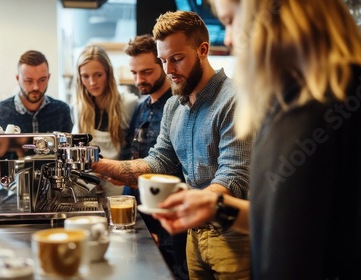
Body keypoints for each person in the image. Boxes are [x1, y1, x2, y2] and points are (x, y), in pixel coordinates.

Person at [153, 0, 361, 279]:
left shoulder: (344, 99)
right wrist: (216, 207)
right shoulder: (286, 101)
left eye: (230, 20)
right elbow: (286, 222)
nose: (230, 39)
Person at [91, 10, 253, 280]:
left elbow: (234, 175)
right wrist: (116, 168)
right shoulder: (173, 107)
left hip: (232, 235)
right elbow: (161, 160)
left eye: (177, 59)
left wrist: (196, 202)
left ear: (203, 49)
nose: (168, 70)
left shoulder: (234, 100)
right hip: (193, 235)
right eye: (163, 60)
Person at [120, 34, 187, 279]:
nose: (139, 80)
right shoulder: (140, 107)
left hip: (170, 217)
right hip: (140, 213)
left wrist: (155, 226)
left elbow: (174, 170)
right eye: (134, 73)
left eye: (146, 72)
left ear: (163, 64)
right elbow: (132, 157)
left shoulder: (179, 106)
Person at [72, 44, 139, 196]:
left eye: (98, 75)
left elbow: (135, 151)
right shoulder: (78, 108)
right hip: (87, 185)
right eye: (85, 76)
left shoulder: (128, 104)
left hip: (120, 185)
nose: (92, 82)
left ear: (108, 74)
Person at [0, 50, 73, 133]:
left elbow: (68, 148)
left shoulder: (61, 110)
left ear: (48, 77)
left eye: (42, 80)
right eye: (29, 81)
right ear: (18, 79)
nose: (36, 87)